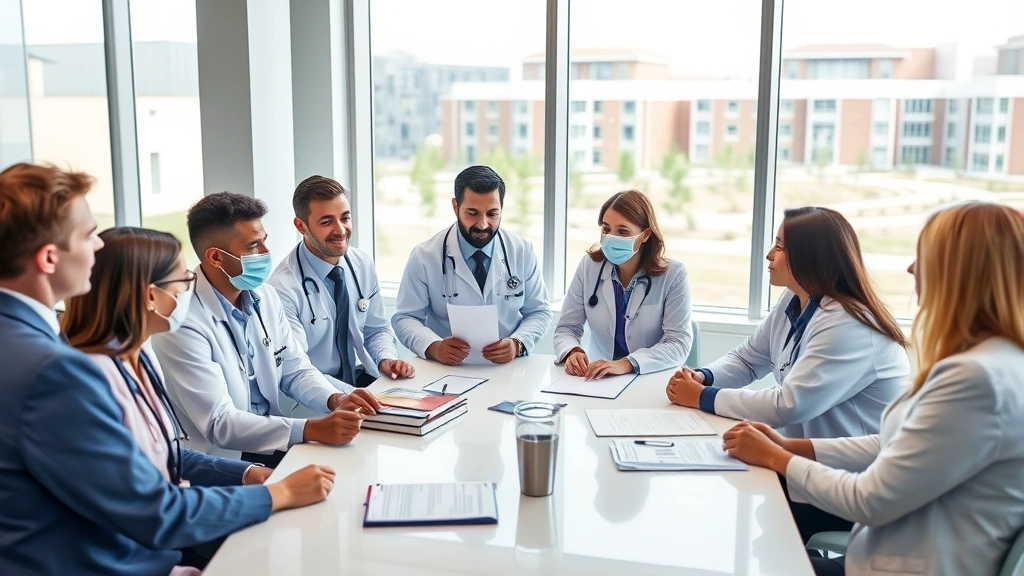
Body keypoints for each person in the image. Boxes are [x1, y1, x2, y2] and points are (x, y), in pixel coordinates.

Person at [0, 164, 334, 576]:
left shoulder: (38, 345)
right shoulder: (54, 369)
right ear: (49, 257)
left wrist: (250, 474)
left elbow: (160, 459)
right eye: (88, 236)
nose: (99, 248)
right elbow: (152, 510)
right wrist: (277, 493)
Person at [723, 202, 1024, 576]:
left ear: (962, 273)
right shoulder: (992, 361)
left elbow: (870, 499)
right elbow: (893, 443)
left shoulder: (977, 379)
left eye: (923, 256)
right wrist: (789, 446)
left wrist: (777, 459)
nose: (911, 268)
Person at [152, 192, 381, 468]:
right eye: (252, 246)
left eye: (264, 241)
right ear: (215, 257)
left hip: (272, 440)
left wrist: (336, 399)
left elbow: (295, 369)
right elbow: (219, 424)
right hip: (223, 460)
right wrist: (310, 429)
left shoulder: (265, 296)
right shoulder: (182, 322)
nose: (265, 254)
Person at [665, 207, 908, 440]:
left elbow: (790, 405)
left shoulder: (849, 323)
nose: (770, 254)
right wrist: (704, 377)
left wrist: (704, 397)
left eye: (780, 246)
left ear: (810, 257)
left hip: (855, 474)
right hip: (807, 458)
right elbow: (748, 359)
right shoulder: (796, 297)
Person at [392, 165, 552, 365]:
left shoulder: (521, 250)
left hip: (508, 368)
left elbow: (539, 312)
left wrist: (518, 344)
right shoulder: (425, 256)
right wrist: (434, 347)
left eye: (492, 213)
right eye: (472, 213)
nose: (483, 224)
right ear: (455, 207)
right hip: (445, 370)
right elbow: (405, 318)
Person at [268, 175, 414, 390]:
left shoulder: (361, 263)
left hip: (359, 379)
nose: (340, 230)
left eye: (344, 218)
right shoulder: (283, 289)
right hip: (318, 392)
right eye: (327, 222)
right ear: (301, 226)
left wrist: (386, 359)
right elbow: (297, 367)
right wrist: (347, 396)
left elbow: (377, 329)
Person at [554, 190, 692, 379]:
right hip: (599, 379)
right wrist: (572, 351)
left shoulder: (674, 275)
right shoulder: (589, 266)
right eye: (606, 229)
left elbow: (678, 343)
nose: (611, 237)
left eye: (622, 231)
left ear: (645, 235)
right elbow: (567, 327)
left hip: (652, 377)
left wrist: (627, 364)